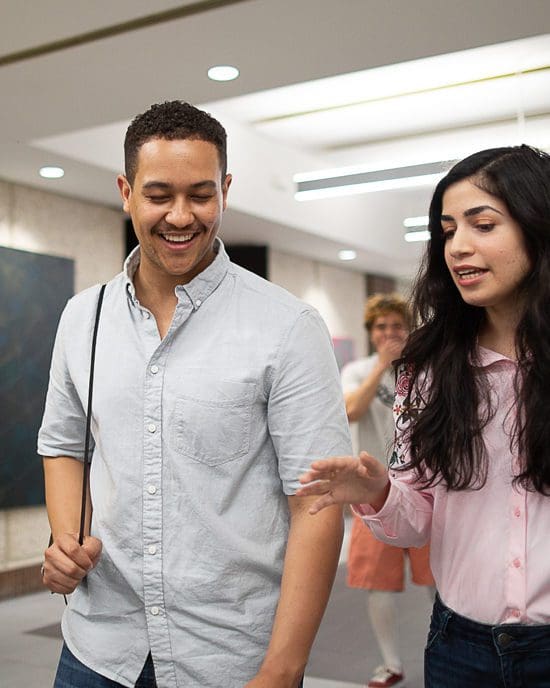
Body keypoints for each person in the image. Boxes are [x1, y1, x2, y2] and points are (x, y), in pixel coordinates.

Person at [38, 100, 352, 688]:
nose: (180, 216)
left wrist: (283, 669)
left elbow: (317, 503)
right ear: (126, 192)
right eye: (159, 194)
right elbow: (63, 443)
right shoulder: (84, 318)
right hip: (98, 647)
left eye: (200, 195)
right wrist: (65, 539)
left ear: (225, 191)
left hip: (231, 657)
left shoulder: (287, 326)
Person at [297, 145, 550, 687]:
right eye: (447, 230)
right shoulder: (428, 368)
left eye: (483, 225)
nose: (458, 247)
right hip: (460, 648)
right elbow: (415, 520)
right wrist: (378, 490)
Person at [342, 294, 434, 688]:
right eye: (381, 327)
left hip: (424, 487)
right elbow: (350, 411)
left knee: (436, 580)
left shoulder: (424, 369)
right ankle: (391, 663)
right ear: (370, 332)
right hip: (373, 489)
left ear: (408, 329)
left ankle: (444, 652)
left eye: (397, 326)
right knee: (378, 583)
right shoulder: (357, 369)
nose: (389, 333)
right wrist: (382, 365)